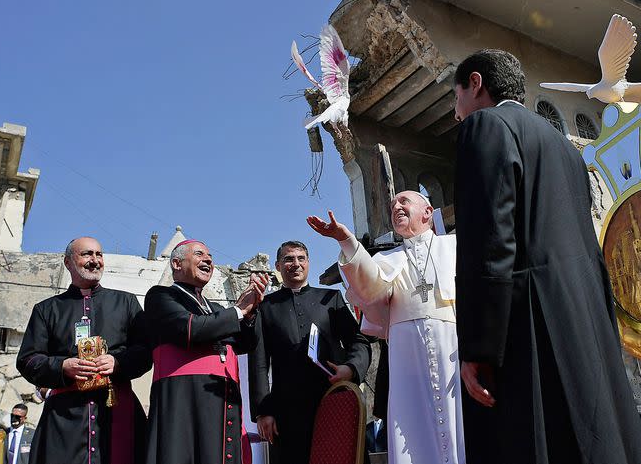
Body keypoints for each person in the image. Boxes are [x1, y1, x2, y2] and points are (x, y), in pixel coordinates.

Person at [452, 48, 641, 464]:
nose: (455, 113)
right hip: (584, 314)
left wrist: (479, 348)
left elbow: (489, 241)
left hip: (529, 323)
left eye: (456, 97)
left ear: (476, 83)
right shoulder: (565, 148)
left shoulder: (486, 126)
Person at [308, 192, 465, 464]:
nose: (396, 207)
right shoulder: (388, 259)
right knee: (411, 429)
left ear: (427, 212)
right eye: (392, 205)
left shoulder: (455, 248)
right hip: (407, 361)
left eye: (404, 202)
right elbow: (369, 287)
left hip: (453, 351)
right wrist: (346, 240)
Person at [17, 237, 152, 464]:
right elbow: (28, 360)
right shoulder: (46, 310)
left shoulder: (126, 303)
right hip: (64, 418)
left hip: (117, 410)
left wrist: (118, 363)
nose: (95, 260)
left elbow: (146, 351)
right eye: (87, 254)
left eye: (99, 254)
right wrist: (62, 366)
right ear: (68, 262)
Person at [144, 239, 269, 464]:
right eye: (200, 254)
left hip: (222, 401)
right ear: (176, 263)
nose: (209, 260)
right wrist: (239, 310)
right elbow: (190, 329)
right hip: (183, 403)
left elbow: (245, 343)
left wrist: (250, 314)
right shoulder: (161, 296)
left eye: (210, 256)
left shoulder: (216, 308)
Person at [248, 240, 371, 463]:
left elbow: (359, 340)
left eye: (300, 258)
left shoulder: (330, 299)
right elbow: (259, 362)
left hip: (333, 399)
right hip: (287, 410)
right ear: (277, 265)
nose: (295, 264)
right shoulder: (265, 306)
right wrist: (263, 411)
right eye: (288, 259)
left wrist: (351, 368)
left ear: (308, 263)